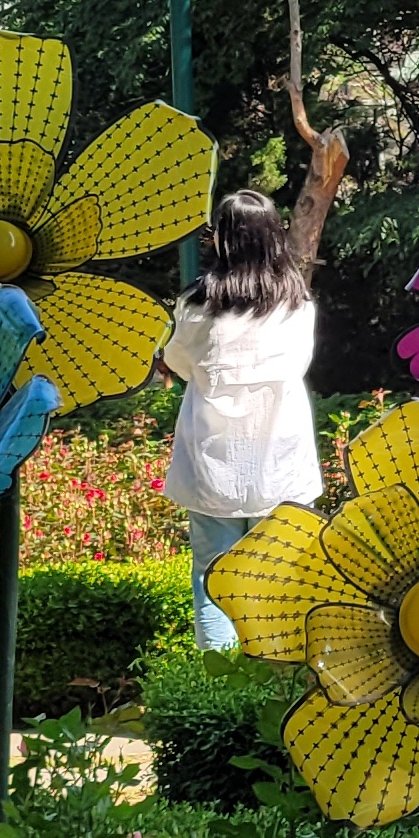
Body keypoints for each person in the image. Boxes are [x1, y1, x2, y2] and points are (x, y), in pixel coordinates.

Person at [158, 188, 320, 651]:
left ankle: (220, 680)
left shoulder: (197, 305)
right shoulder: (296, 304)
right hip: (281, 462)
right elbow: (300, 364)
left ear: (223, 239)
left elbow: (179, 363)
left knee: (213, 575)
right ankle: (273, 676)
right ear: (273, 236)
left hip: (214, 462)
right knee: (277, 582)